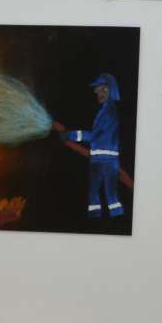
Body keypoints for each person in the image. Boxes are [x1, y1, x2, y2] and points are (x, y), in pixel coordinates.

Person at [57, 74, 125, 220]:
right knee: (107, 195)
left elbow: (94, 135)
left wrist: (70, 135)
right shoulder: (107, 110)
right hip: (104, 159)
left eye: (99, 90)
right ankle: (109, 220)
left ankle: (104, 220)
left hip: (103, 160)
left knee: (101, 194)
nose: (96, 93)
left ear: (107, 89)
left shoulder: (108, 111)